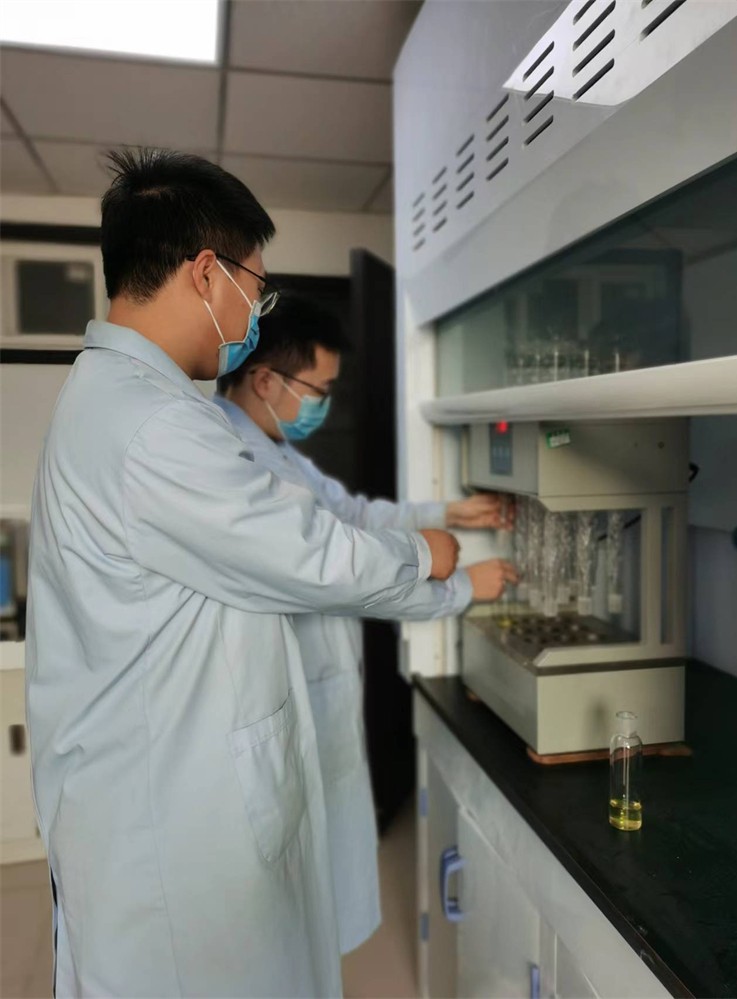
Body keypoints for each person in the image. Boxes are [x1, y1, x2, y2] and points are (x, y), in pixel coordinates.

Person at [24, 148, 469, 999]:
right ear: (205, 274)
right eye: (253, 288)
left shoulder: (118, 401)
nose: (253, 315)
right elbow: (311, 550)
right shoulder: (154, 427)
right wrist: (428, 556)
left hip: (151, 804)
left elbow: (314, 525)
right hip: (170, 834)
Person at [215, 293, 517, 955]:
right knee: (283, 910)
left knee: (317, 890)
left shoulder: (278, 453)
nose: (324, 404)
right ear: (264, 379)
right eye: (318, 390)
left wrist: (448, 513)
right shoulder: (233, 464)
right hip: (281, 704)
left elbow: (351, 517)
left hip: (318, 694)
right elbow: (347, 573)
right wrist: (463, 585)